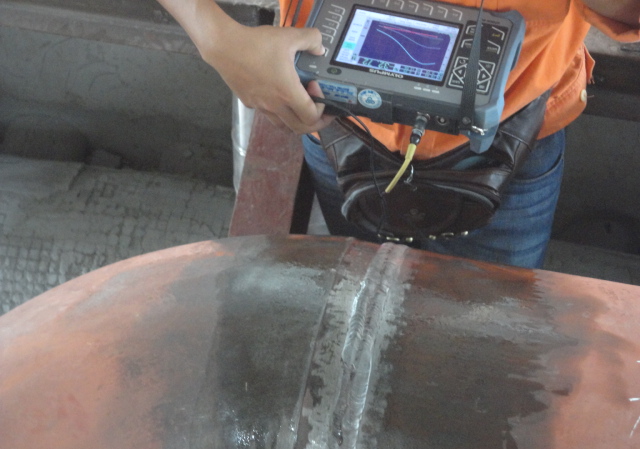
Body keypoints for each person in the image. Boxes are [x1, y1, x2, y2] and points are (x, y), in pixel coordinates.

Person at [156, 0, 639, 268]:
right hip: (336, 120)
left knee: (487, 332)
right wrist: (214, 36)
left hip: (514, 135)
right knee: (364, 295)